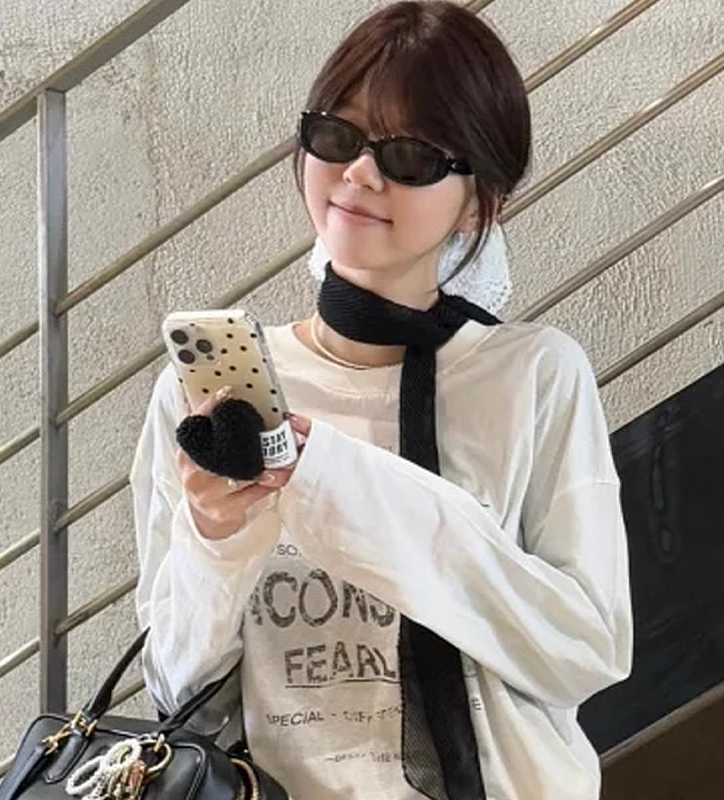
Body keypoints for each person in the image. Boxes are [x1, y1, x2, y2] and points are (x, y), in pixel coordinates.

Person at [130, 2, 633, 799]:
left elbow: (586, 650)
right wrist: (217, 542)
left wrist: (337, 483)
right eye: (337, 136)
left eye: (410, 155)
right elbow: (179, 689)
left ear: (480, 200)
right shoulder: (210, 401)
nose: (360, 174)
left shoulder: (533, 376)